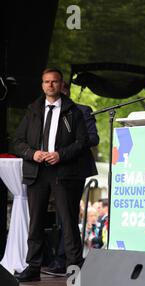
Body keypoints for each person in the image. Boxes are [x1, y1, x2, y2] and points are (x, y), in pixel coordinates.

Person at [14, 68, 88, 282]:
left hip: (63, 172)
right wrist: (32, 153)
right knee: (35, 222)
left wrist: (60, 155)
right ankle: (33, 267)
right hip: (37, 171)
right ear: (42, 85)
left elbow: (82, 143)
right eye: (46, 82)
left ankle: (75, 269)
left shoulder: (74, 111)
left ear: (61, 84)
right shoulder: (33, 110)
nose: (50, 85)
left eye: (54, 82)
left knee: (68, 221)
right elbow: (17, 142)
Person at [43, 81, 100, 274]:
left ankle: (66, 259)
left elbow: (93, 138)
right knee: (59, 216)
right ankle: (61, 258)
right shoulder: (46, 112)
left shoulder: (82, 111)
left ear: (66, 91)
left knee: (67, 215)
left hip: (74, 171)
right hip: (51, 170)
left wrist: (68, 148)